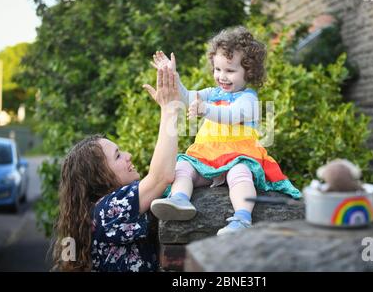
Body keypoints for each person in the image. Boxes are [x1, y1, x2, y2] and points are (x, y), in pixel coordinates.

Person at [150, 26, 301, 235]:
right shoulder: (213, 92)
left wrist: (205, 109)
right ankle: (180, 200)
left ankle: (242, 217)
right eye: (217, 69)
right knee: (184, 166)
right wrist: (172, 75)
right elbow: (186, 97)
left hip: (239, 155)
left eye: (230, 71)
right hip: (208, 155)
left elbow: (231, 115)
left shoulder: (249, 99)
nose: (222, 76)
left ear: (249, 72)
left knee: (240, 174)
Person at [51, 67, 180, 271]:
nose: (128, 155)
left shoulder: (99, 212)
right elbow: (161, 176)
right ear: (99, 176)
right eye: (118, 155)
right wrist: (170, 108)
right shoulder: (108, 211)